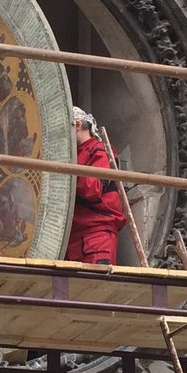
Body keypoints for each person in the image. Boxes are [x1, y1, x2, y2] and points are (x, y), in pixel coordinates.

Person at [66, 106, 126, 265]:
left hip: (95, 236)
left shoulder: (100, 150)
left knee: (97, 286)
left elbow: (91, 188)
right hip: (73, 237)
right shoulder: (76, 155)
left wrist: (65, 175)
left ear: (77, 125)